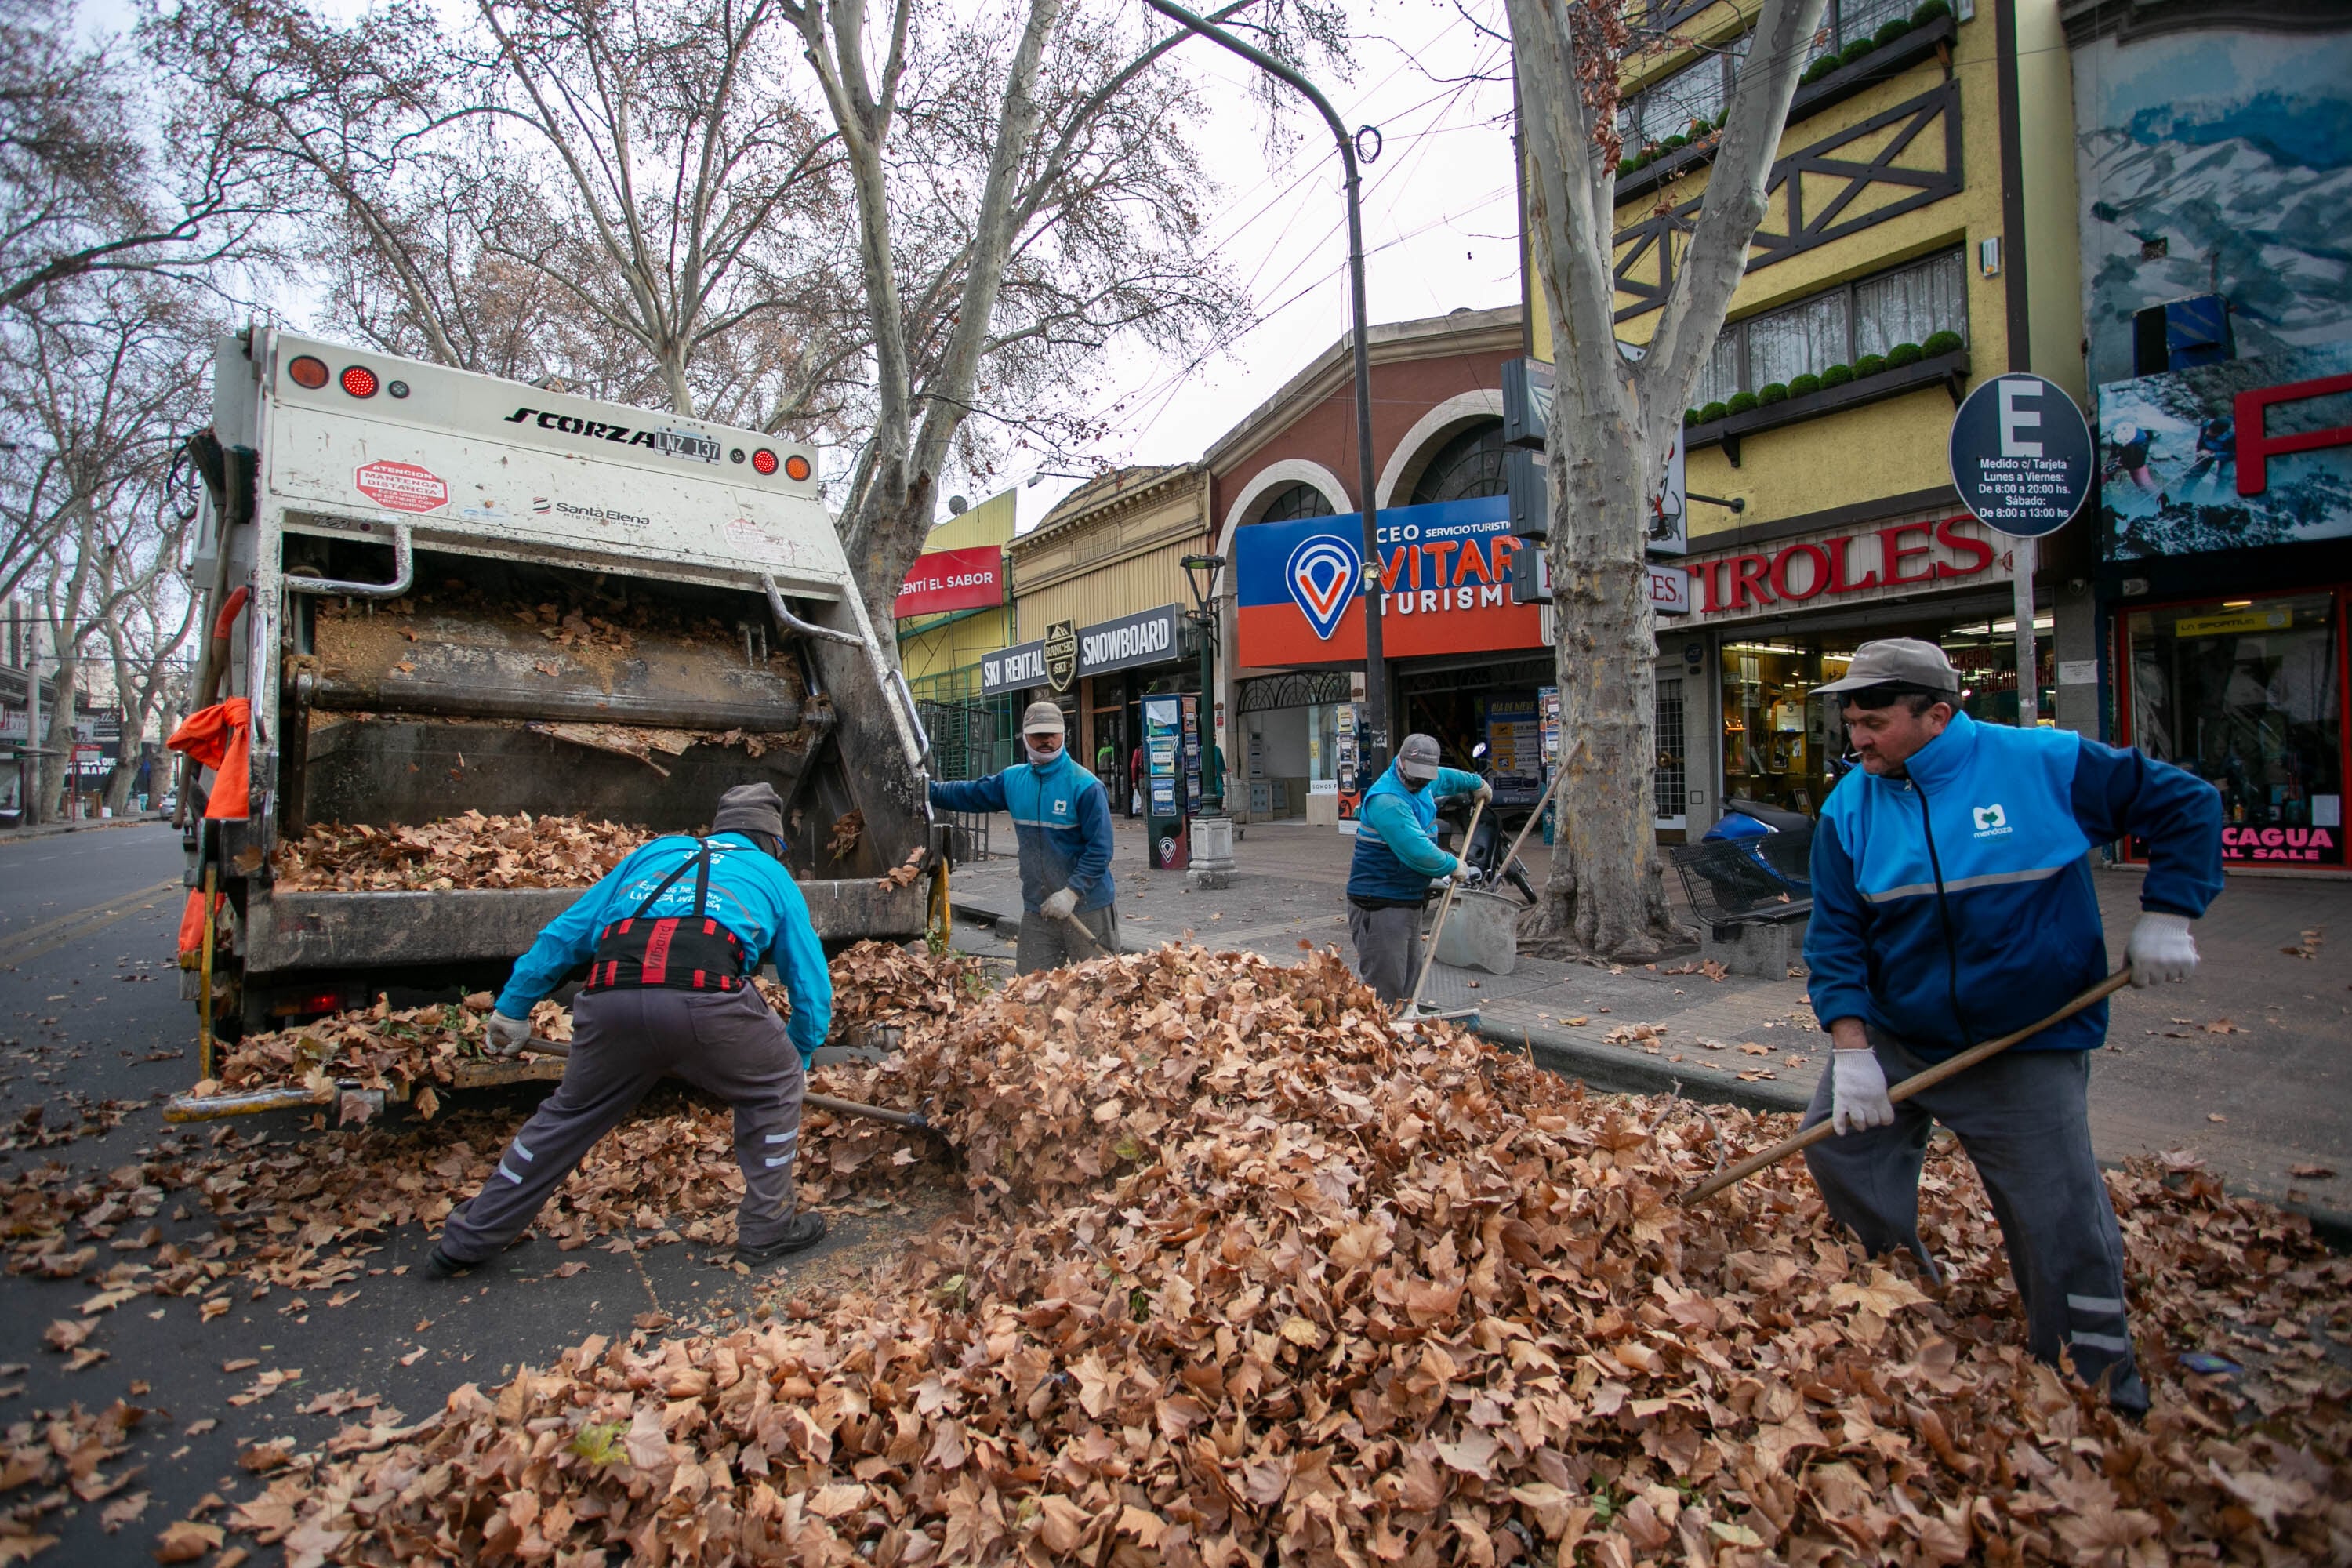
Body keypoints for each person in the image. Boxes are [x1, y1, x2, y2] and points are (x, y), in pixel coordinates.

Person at [1802, 638, 2222, 1416]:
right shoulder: (1849, 806)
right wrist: (1851, 1048)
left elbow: (2186, 802)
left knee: (2057, 1216)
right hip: (1900, 1035)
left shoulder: (2044, 764)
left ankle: (2094, 1376)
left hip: (2022, 1044)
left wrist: (2171, 909)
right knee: (1839, 1150)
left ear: (1937, 714)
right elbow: (1836, 937)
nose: (1856, 740)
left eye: (1874, 722)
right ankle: (1903, 1284)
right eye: (1851, 722)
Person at [428, 782, 833, 1276]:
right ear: (773, 843)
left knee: (568, 1115)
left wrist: (513, 1007)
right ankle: (768, 1229)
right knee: (776, 1084)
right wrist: (797, 1057)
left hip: (609, 1000)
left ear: (720, 828)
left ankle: (469, 1240)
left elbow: (567, 933)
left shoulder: (655, 853)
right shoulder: (771, 874)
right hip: (708, 1000)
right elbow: (809, 985)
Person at [931, 701, 1116, 971]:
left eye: (1052, 734)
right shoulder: (1013, 782)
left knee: (1100, 992)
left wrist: (1072, 893)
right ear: (1025, 736)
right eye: (1038, 734)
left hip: (1088, 908)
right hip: (1038, 908)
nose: (1046, 741)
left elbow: (1101, 849)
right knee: (1028, 994)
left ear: (1064, 735)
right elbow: (967, 793)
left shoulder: (1085, 786)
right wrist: (928, 790)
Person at [1345, 732, 1490, 1004]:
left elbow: (1446, 778)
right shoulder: (1387, 799)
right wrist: (1452, 865)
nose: (1420, 781)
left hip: (1408, 899)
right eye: (1416, 775)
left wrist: (1475, 782)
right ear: (1400, 763)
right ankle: (1384, 1038)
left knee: (1411, 978)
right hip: (1379, 905)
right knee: (1385, 987)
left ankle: (1405, 1034)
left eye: (1426, 776)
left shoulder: (1424, 783)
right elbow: (1418, 853)